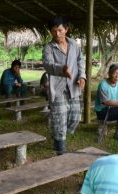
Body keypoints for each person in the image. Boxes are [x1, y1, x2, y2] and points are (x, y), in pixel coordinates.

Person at [42, 16, 86, 155]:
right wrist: (62, 69)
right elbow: (47, 65)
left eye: (60, 30)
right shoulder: (49, 47)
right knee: (60, 118)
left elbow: (80, 61)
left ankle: (57, 133)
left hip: (74, 86)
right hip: (57, 88)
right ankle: (60, 148)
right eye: (54, 31)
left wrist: (82, 76)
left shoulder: (73, 44)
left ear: (66, 29)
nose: (57, 34)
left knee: (75, 117)